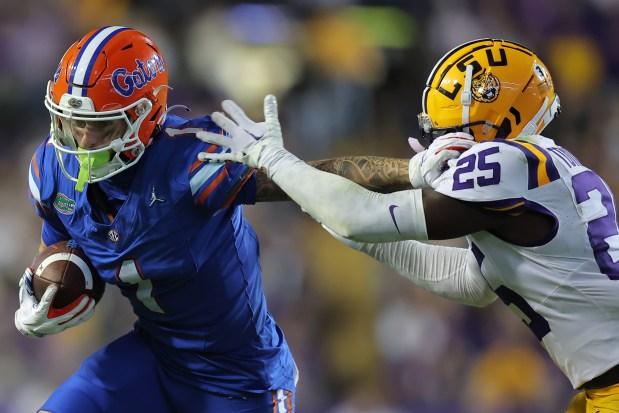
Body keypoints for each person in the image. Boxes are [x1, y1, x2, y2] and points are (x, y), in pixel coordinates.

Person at [197, 38, 619, 413]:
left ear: (495, 118)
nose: (442, 142)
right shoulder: (551, 165)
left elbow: (359, 217)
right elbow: (473, 282)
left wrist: (275, 160)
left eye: (453, 130)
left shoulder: (508, 164)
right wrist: (341, 221)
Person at [14, 26, 415, 413]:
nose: (82, 140)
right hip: (154, 357)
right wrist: (48, 293)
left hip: (241, 379)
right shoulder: (52, 171)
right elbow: (66, 250)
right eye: (74, 122)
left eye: (100, 126)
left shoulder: (191, 164)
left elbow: (314, 177)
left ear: (143, 115)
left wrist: (412, 172)